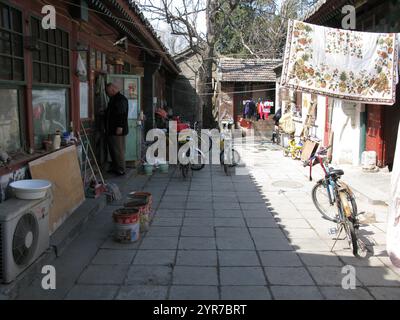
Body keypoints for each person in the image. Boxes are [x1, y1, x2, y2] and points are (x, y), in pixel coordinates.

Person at [105, 83, 129, 175]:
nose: (107, 94)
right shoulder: (113, 99)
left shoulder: (120, 99)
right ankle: (116, 167)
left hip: (117, 130)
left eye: (108, 91)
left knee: (118, 150)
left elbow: (121, 114)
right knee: (113, 150)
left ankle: (121, 169)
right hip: (111, 129)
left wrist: (120, 127)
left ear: (113, 89)